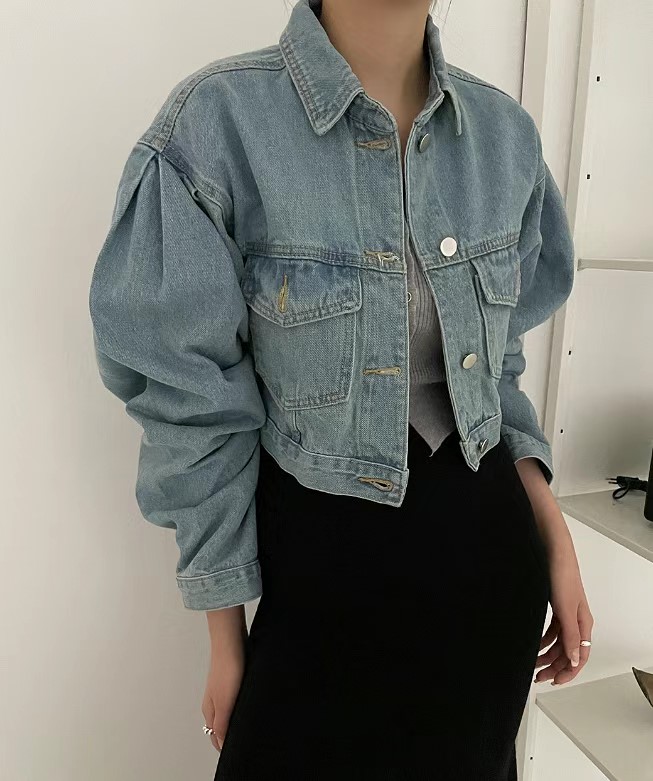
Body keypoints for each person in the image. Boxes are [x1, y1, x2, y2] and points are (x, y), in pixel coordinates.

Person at [88, 0, 594, 778]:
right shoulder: (219, 125)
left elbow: (497, 369)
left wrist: (554, 537)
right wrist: (226, 634)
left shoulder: (501, 135)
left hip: (489, 583)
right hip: (320, 593)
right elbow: (192, 406)